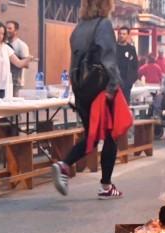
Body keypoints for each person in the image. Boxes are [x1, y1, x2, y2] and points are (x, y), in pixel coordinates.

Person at [51, 0, 126, 199]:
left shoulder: (79, 28)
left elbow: (76, 60)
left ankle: (65, 165)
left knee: (92, 136)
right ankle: (105, 185)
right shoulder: (104, 24)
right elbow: (108, 58)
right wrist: (112, 86)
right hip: (100, 88)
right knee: (110, 135)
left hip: (82, 88)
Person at [6, 20, 30, 97]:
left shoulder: (22, 45)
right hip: (5, 81)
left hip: (17, 82)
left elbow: (27, 65)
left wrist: (14, 59)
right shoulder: (4, 44)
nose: (7, 30)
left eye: (10, 28)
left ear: (16, 31)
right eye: (6, 28)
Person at [116, 26, 138, 99]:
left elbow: (135, 65)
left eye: (124, 34)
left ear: (128, 35)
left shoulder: (131, 49)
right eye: (120, 34)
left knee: (125, 105)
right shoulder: (114, 48)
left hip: (126, 84)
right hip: (115, 83)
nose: (121, 36)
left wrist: (131, 81)